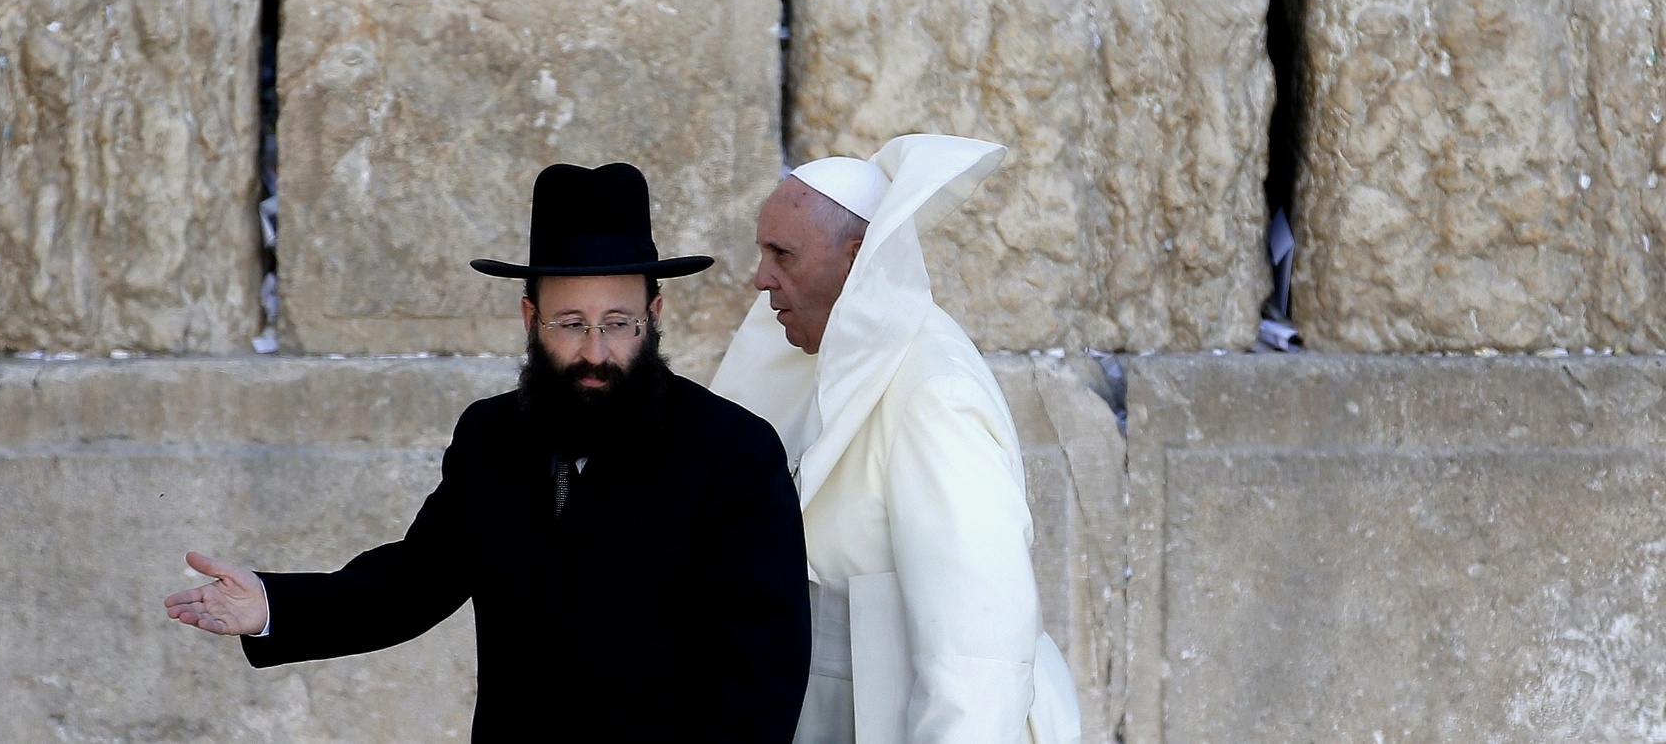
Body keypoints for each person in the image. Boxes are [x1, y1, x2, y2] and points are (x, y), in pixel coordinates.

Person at [165, 162, 812, 743]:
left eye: (618, 321)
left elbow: (763, 676)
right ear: (530, 319)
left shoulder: (733, 451)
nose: (596, 350)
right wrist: (273, 606)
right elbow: (410, 584)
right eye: (570, 323)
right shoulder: (492, 437)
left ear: (655, 313)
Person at [712, 134, 1085, 744]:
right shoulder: (817, 362)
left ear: (857, 260)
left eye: (783, 255)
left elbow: (977, 655)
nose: (761, 279)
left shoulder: (935, 394)